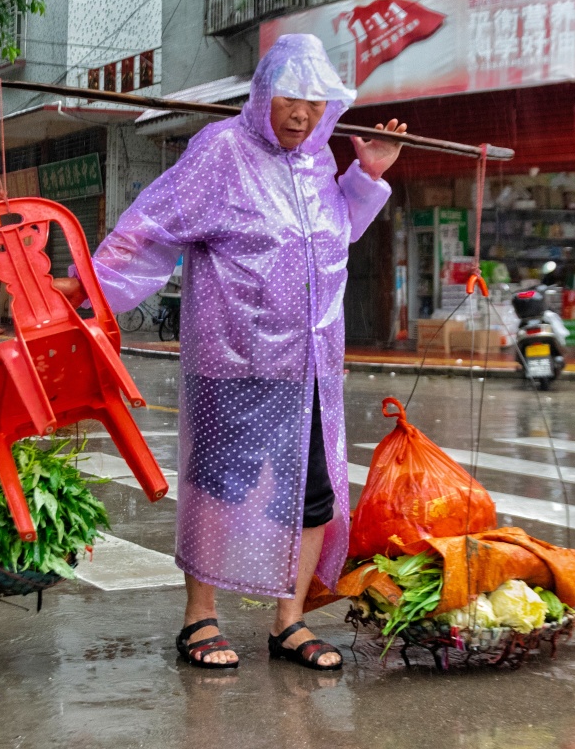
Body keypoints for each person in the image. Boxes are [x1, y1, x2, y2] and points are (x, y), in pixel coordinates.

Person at [62, 34, 406, 671]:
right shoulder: (221, 151)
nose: (299, 114)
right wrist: (87, 288)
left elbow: (336, 238)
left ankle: (289, 622)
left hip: (308, 367)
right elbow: (151, 226)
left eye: (313, 100)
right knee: (221, 486)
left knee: (312, 495)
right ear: (261, 95)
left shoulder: (318, 165)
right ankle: (200, 619)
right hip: (234, 357)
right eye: (286, 98)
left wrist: (368, 175)